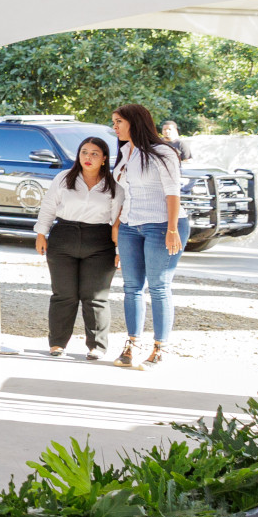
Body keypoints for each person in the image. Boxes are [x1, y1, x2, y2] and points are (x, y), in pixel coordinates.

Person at [112, 103, 187, 369]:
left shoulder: (162, 152)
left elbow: (172, 192)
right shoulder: (125, 152)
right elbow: (125, 193)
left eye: (118, 122)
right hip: (130, 225)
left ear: (134, 122)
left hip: (162, 225)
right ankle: (132, 344)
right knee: (131, 287)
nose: (114, 127)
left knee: (158, 286)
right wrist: (117, 224)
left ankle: (160, 349)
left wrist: (172, 229)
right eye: (114, 122)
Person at [35, 136, 121, 361]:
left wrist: (119, 249)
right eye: (84, 152)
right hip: (64, 236)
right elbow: (48, 206)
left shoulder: (114, 184)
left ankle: (97, 346)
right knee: (64, 294)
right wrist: (41, 233)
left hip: (100, 240)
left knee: (95, 296)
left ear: (104, 158)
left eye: (94, 153)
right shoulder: (64, 178)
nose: (88, 157)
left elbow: (117, 221)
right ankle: (57, 342)